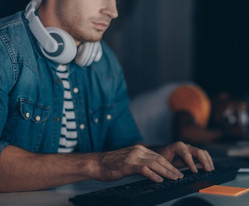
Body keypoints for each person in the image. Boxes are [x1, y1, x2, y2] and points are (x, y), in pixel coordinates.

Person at [0, 0, 214, 193]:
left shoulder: (106, 63)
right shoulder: (5, 49)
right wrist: (97, 164)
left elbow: (125, 145)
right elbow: (106, 162)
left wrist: (158, 155)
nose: (113, 11)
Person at [130, 82, 249, 146]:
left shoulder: (201, 119)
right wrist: (227, 132)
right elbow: (185, 134)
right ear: (223, 97)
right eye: (235, 112)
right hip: (116, 144)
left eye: (240, 121)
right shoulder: (196, 98)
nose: (233, 120)